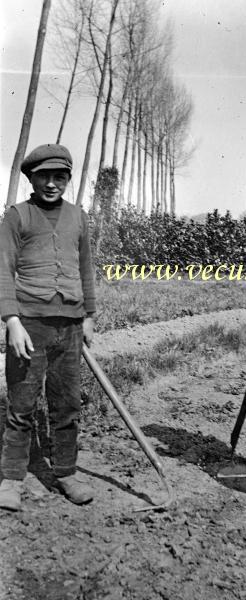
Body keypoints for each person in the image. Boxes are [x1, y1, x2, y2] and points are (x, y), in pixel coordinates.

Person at [0, 144, 96, 511]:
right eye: (44, 176)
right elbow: (3, 271)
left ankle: (66, 473)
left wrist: (88, 316)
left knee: (67, 404)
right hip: (29, 326)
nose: (52, 184)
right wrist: (12, 321)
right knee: (22, 405)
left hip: (70, 327)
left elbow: (86, 268)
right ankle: (10, 479)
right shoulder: (17, 216)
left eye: (60, 177)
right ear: (31, 178)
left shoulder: (78, 217)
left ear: (68, 180)